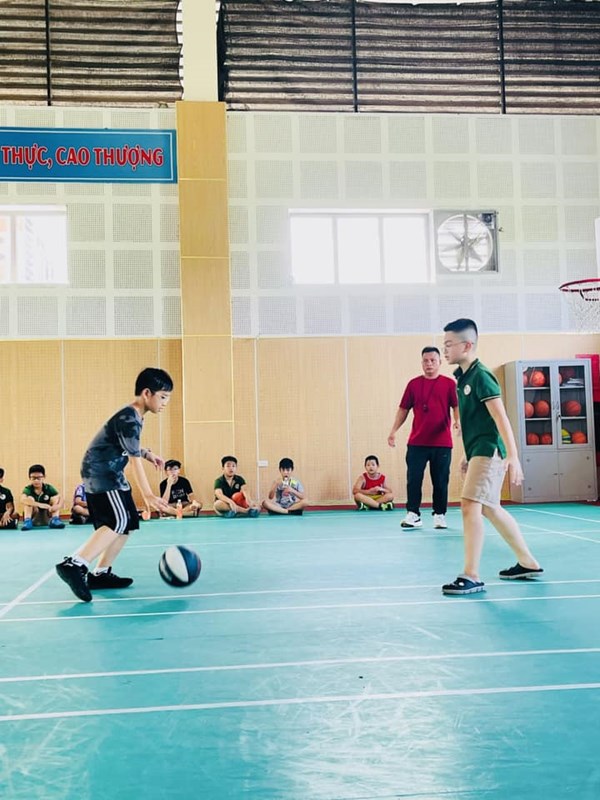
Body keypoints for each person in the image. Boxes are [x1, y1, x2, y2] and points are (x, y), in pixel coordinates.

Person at [442, 318, 543, 595]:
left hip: (489, 450)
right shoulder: (463, 378)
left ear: (467, 345)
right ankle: (528, 562)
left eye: (449, 344)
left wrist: (513, 456)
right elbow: (475, 422)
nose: (445, 349)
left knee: (470, 505)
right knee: (490, 508)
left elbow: (500, 417)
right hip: (478, 450)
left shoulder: (482, 376)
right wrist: (467, 454)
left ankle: (471, 575)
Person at [55, 368, 174, 602]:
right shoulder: (129, 417)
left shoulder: (135, 416)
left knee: (128, 521)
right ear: (147, 393)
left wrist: (148, 454)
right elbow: (133, 459)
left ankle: (100, 574)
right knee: (116, 521)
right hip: (101, 473)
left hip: (112, 472)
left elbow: (128, 445)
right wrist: (148, 494)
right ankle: (74, 564)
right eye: (162, 397)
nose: (165, 403)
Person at [388, 346, 459, 530]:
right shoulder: (413, 384)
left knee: (441, 480)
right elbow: (403, 409)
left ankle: (439, 515)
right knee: (413, 479)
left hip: (442, 443)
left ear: (439, 362)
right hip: (417, 443)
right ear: (421, 363)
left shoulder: (449, 384)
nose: (429, 364)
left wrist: (458, 421)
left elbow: (456, 406)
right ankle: (413, 514)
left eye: (433, 360)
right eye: (426, 361)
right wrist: (393, 430)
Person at [21, 465, 65, 530]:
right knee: (29, 499)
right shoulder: (28, 489)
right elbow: (23, 500)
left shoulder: (48, 488)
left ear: (44, 477)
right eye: (33, 478)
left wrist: (58, 506)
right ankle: (27, 521)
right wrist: (40, 505)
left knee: (55, 498)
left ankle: (55, 520)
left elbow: (60, 497)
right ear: (29, 478)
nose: (36, 481)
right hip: (34, 515)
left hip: (47, 514)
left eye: (39, 478)